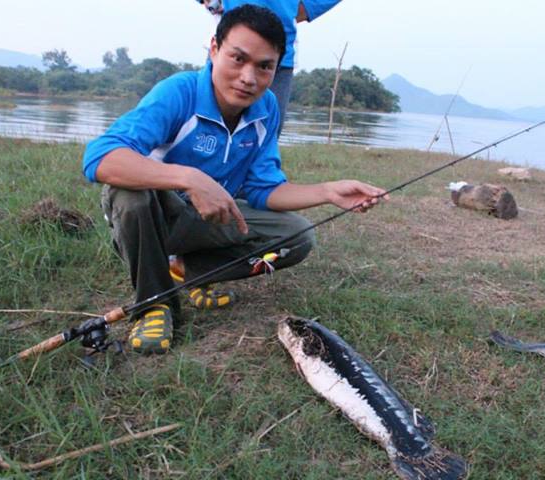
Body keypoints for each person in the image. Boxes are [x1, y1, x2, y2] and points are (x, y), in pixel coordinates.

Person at [82, 5, 386, 355]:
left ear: (277, 68)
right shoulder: (179, 92)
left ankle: (188, 271)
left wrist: (328, 191)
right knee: (129, 196)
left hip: (204, 222)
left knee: (297, 236)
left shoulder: (266, 108)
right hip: (152, 223)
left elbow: (263, 189)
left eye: (264, 66)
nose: (248, 77)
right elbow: (99, 157)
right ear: (213, 49)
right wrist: (189, 178)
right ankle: (153, 303)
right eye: (237, 59)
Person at [196, 0, 343, 137]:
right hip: (229, 41)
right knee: (204, 130)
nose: (248, 78)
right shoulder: (178, 90)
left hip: (280, 50)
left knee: (265, 134)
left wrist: (302, 7)